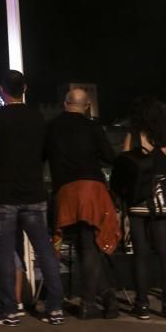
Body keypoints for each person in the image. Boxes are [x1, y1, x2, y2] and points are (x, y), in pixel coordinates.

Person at [0, 70, 65, 326]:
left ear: (1, 90)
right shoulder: (38, 118)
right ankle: (55, 307)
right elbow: (44, 153)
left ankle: (9, 309)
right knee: (44, 250)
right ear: (25, 89)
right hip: (34, 192)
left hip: (2, 194)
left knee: (5, 253)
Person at [47, 87, 120, 320]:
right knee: (90, 244)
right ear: (86, 106)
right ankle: (92, 301)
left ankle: (105, 297)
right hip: (91, 189)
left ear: (65, 103)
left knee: (81, 243)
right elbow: (110, 157)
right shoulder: (92, 127)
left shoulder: (52, 127)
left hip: (65, 191)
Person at [117, 96, 166, 320]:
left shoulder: (132, 136)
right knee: (165, 253)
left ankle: (142, 304)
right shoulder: (165, 138)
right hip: (162, 203)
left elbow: (124, 165)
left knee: (141, 255)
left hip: (137, 201)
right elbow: (165, 167)